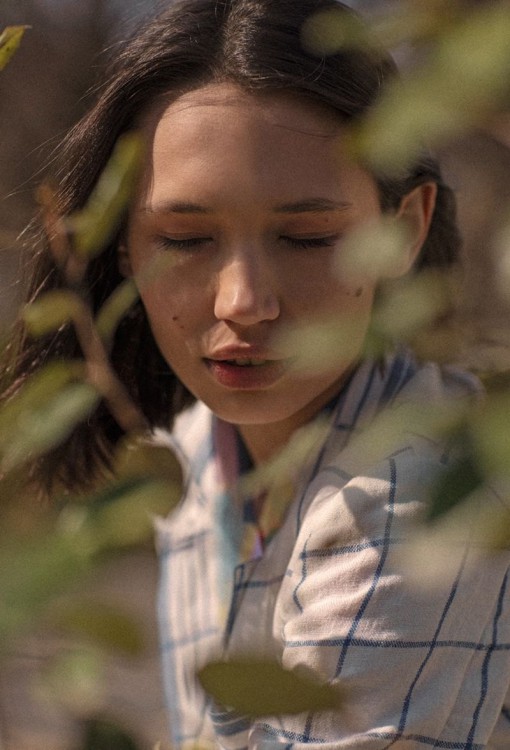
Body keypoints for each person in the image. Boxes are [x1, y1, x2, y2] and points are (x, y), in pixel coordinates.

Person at [2, 0, 510, 747]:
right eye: (185, 238)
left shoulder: (411, 501)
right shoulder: (199, 452)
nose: (243, 301)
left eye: (305, 237)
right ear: (120, 248)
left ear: (403, 230)